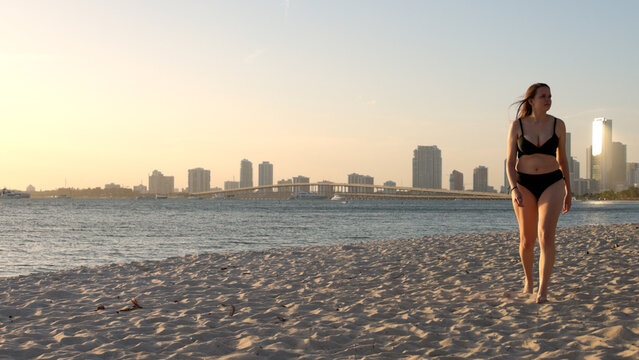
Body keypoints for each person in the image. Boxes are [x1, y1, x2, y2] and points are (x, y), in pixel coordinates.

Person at [506, 83, 571, 304]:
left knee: (545, 235)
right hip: (523, 183)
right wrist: (514, 188)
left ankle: (542, 290)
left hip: (552, 182)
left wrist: (569, 191)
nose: (548, 99)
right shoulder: (517, 126)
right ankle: (528, 281)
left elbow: (563, 160)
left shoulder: (558, 125)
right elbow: (509, 162)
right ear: (531, 100)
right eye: (543, 96)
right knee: (527, 240)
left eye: (550, 96)